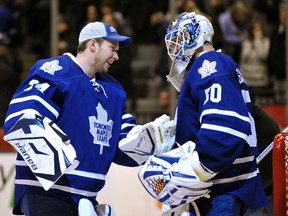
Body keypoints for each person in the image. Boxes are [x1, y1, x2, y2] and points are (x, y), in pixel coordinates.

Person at [3, 21, 176, 216]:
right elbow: (21, 118)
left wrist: (151, 140)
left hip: (85, 197)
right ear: (93, 45)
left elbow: (120, 141)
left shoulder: (112, 90)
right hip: (45, 194)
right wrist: (58, 160)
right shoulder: (57, 71)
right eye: (112, 48)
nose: (116, 56)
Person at [138, 12, 268, 215]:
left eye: (179, 39)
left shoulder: (210, 65)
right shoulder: (214, 65)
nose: (174, 48)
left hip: (225, 190)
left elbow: (226, 129)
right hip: (221, 189)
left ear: (195, 37)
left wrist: (195, 169)